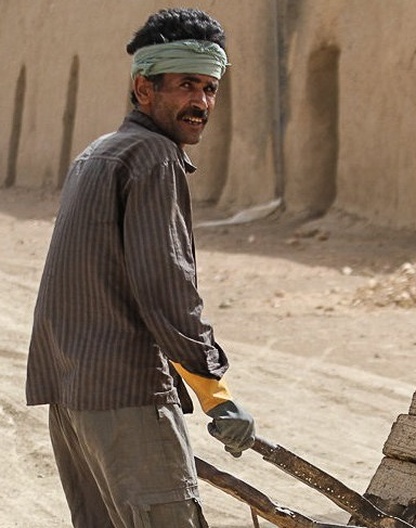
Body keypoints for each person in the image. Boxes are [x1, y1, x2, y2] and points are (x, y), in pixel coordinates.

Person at [25, 8, 255, 527]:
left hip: (75, 396)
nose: (201, 102)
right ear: (143, 89)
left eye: (210, 88)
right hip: (125, 395)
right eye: (186, 86)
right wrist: (215, 393)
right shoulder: (153, 157)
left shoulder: (100, 153)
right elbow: (166, 287)